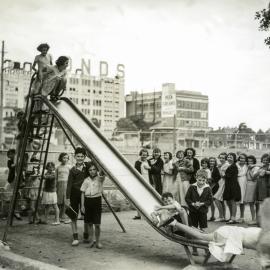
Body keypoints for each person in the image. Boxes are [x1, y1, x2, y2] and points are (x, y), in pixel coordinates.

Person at [160, 198, 270, 266]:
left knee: (200, 235)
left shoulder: (266, 233)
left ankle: (175, 223)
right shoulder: (266, 240)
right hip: (229, 235)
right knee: (200, 236)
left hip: (232, 231)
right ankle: (174, 223)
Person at [185, 169, 213, 256]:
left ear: (206, 180)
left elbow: (210, 200)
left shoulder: (207, 188)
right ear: (196, 178)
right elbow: (187, 198)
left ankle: (206, 249)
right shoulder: (192, 187)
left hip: (202, 212)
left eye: (203, 180)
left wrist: (202, 204)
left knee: (203, 230)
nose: (201, 182)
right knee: (193, 229)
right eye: (199, 180)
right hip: (193, 211)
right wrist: (193, 203)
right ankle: (195, 249)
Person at [66, 147, 90, 246]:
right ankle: (75, 237)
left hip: (85, 194)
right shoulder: (72, 170)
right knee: (73, 216)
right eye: (78, 156)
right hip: (74, 195)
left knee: (86, 215)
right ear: (75, 157)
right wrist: (67, 198)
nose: (80, 158)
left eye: (82, 156)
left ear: (85, 157)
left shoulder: (88, 167)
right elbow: (69, 185)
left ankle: (86, 234)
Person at [80, 162, 105, 249]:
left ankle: (98, 242)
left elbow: (102, 172)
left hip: (97, 201)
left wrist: (96, 161)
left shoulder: (100, 178)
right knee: (89, 223)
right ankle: (92, 240)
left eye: (94, 169)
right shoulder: (86, 180)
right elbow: (82, 193)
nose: (92, 171)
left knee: (97, 224)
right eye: (90, 170)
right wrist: (82, 205)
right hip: (88, 201)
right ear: (88, 171)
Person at [223, 153, 241, 224]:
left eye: (231, 157)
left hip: (233, 185)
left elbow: (228, 175)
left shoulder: (233, 166)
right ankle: (231, 217)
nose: (229, 158)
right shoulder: (229, 165)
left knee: (233, 201)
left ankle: (233, 218)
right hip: (228, 185)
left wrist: (223, 175)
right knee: (228, 201)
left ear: (234, 158)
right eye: (228, 157)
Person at [133, 149, 151, 220]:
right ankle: (138, 214)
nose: (144, 156)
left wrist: (149, 168)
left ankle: (148, 214)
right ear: (140, 154)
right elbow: (135, 172)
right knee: (139, 198)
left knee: (148, 198)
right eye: (143, 154)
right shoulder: (137, 162)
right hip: (140, 182)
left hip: (148, 181)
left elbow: (153, 170)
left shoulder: (149, 162)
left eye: (146, 155)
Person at [244, 155, 260, 225]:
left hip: (254, 184)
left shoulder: (255, 168)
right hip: (249, 185)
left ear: (253, 161)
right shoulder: (247, 167)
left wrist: (251, 168)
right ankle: (253, 218)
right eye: (248, 161)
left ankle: (257, 219)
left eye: (251, 161)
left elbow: (253, 177)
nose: (249, 162)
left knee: (256, 203)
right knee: (251, 203)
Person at [213, 152, 229, 222]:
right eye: (220, 158)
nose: (221, 159)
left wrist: (219, 168)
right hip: (221, 183)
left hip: (224, 183)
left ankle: (221, 216)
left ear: (226, 159)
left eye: (223, 158)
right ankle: (223, 216)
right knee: (221, 200)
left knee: (216, 198)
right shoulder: (222, 165)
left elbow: (223, 175)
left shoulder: (226, 165)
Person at [56, 152, 70, 223]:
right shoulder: (58, 167)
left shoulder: (69, 167)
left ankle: (64, 216)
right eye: (64, 157)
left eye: (67, 158)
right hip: (59, 184)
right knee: (59, 201)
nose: (65, 159)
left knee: (65, 201)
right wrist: (55, 187)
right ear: (61, 158)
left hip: (66, 184)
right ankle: (59, 216)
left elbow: (71, 178)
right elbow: (56, 177)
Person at [208, 157, 221, 222]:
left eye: (213, 161)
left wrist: (212, 180)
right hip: (208, 186)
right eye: (210, 161)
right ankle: (212, 216)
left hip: (215, 186)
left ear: (215, 162)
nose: (211, 162)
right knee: (210, 202)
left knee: (216, 200)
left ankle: (221, 216)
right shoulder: (208, 169)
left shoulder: (216, 169)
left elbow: (218, 177)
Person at [236, 153, 248, 223]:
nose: (241, 159)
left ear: (245, 159)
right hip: (237, 181)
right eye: (240, 158)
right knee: (236, 200)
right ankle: (233, 216)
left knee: (242, 200)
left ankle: (242, 216)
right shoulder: (236, 165)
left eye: (243, 158)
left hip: (244, 182)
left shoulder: (247, 166)